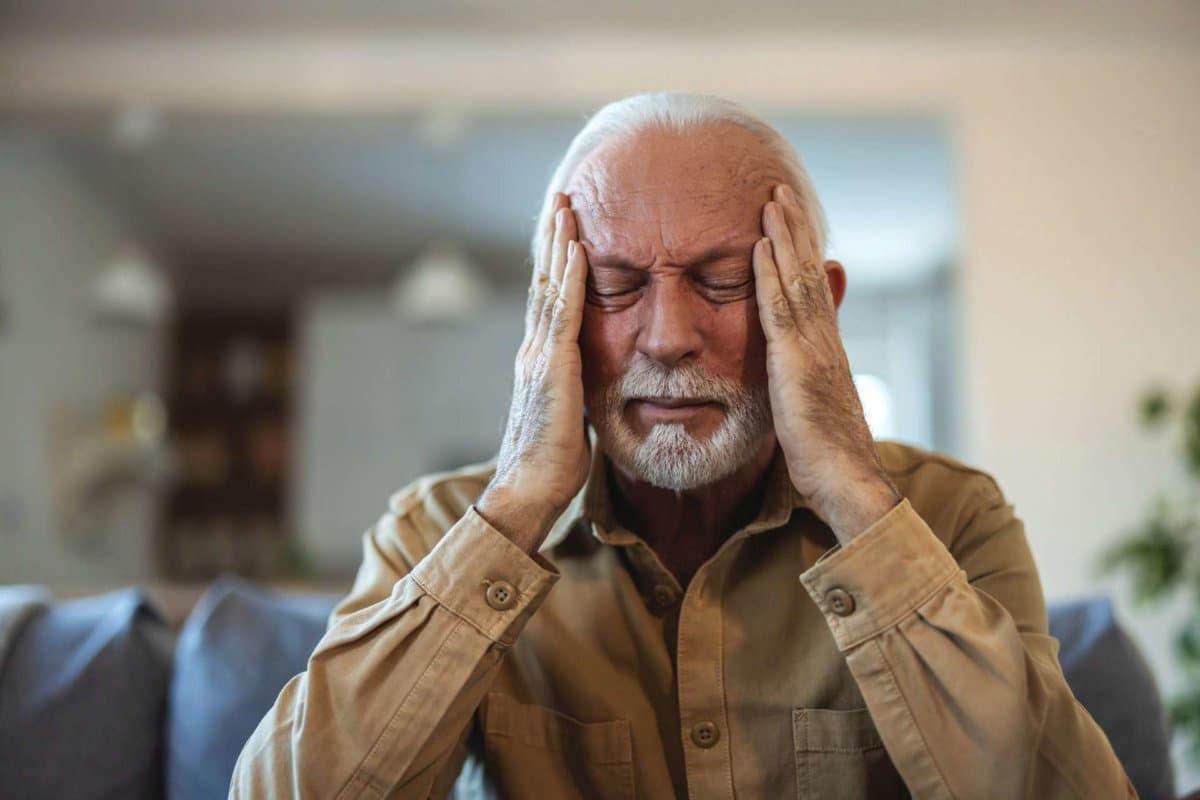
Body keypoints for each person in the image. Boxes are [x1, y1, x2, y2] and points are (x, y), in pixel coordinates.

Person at [231, 93, 1135, 799]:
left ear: (815, 305)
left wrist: (856, 492)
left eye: (723, 280)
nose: (667, 336)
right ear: (556, 315)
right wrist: (513, 509)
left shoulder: (952, 517)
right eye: (616, 288)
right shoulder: (435, 528)